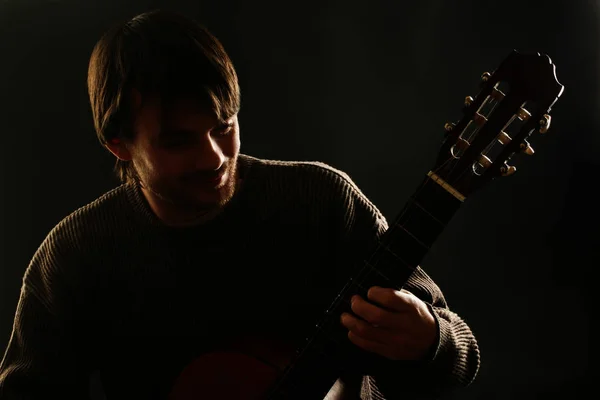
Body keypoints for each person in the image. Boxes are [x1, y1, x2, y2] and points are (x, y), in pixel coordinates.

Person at [0, 9, 480, 400]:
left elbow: (460, 351)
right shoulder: (76, 253)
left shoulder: (321, 200)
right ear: (120, 146)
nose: (214, 156)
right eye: (178, 141)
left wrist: (431, 340)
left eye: (223, 126)